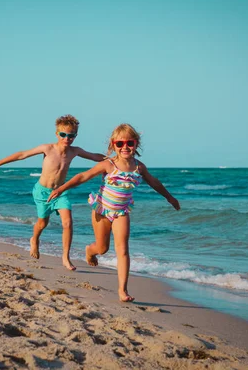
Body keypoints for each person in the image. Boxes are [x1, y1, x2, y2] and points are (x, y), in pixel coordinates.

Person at [47, 123, 180, 301]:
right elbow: (83, 176)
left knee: (123, 250)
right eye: (120, 144)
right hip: (101, 211)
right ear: (113, 145)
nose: (125, 147)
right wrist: (61, 188)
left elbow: (154, 182)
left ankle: (122, 290)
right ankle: (90, 250)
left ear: (136, 144)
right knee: (102, 249)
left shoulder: (139, 167)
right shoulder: (108, 165)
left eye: (130, 143)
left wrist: (169, 197)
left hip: (121, 213)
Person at [0, 114, 105, 271]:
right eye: (63, 135)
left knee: (67, 223)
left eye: (71, 135)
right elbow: (22, 155)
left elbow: (95, 157)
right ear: (57, 134)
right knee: (42, 223)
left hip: (61, 192)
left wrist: (115, 158)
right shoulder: (47, 148)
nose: (67, 138)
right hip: (42, 192)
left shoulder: (75, 151)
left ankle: (66, 257)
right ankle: (34, 239)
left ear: (75, 135)